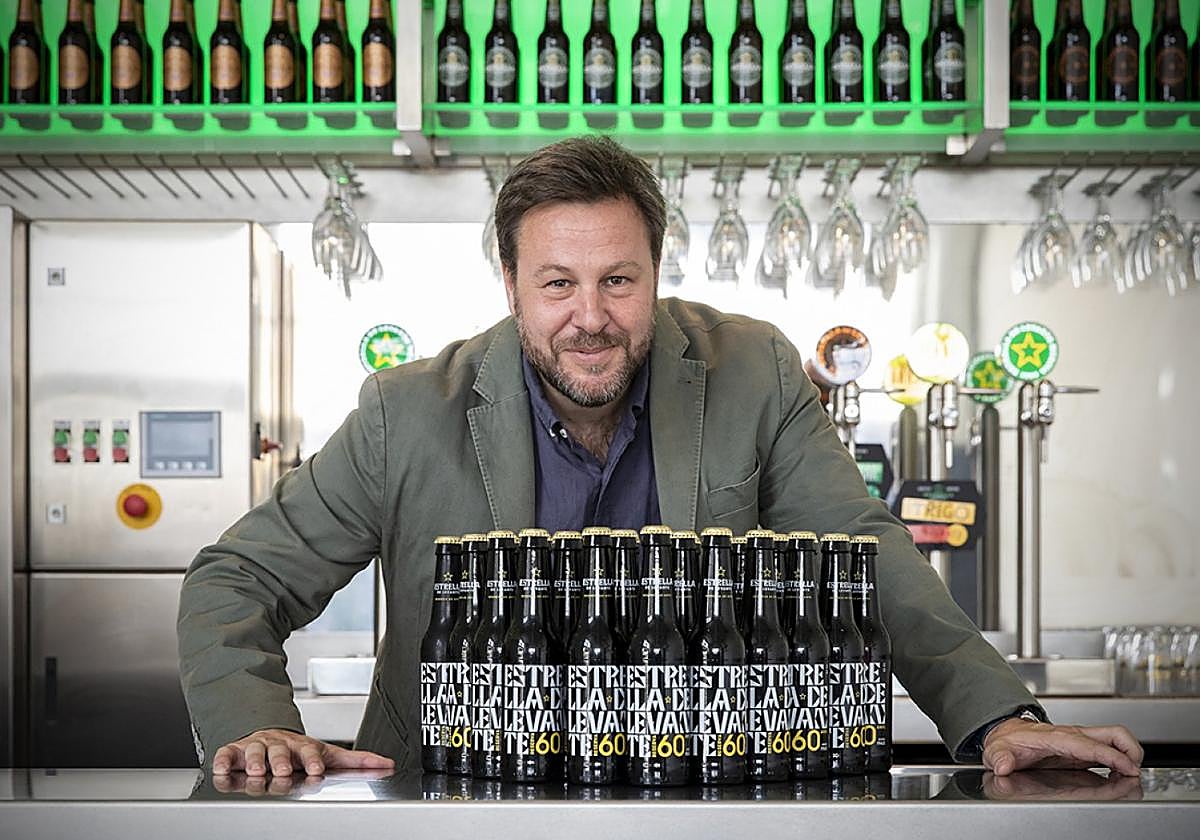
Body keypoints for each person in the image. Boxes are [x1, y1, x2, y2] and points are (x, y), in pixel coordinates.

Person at [177, 136, 1143, 780]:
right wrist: (256, 724)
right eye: (558, 283)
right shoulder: (406, 412)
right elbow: (236, 578)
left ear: (655, 272)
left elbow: (865, 555)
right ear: (510, 284)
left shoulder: (753, 369)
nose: (590, 316)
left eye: (618, 280)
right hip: (455, 802)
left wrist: (998, 719)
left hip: (698, 797)